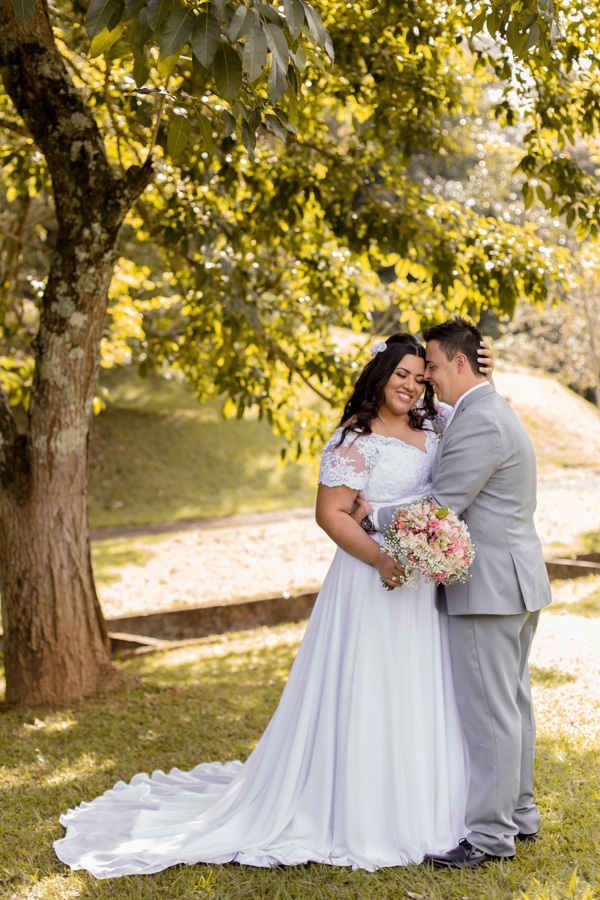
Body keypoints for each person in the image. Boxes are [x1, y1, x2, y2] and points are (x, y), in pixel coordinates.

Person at [53, 333, 495, 879]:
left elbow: (477, 406)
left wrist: (485, 370)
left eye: (417, 373)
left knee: (418, 686)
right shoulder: (354, 440)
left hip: (420, 586)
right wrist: (382, 560)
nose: (409, 383)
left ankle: (430, 800)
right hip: (369, 584)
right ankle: (358, 808)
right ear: (379, 379)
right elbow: (331, 514)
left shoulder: (436, 426)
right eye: (399, 374)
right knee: (369, 685)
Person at [354, 317, 551, 869]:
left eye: (434, 367)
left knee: (492, 713)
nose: (429, 380)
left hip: (487, 587)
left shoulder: (480, 420)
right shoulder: (485, 409)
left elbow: (443, 505)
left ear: (459, 364)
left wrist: (375, 514)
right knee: (511, 705)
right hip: (511, 581)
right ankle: (521, 814)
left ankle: (490, 837)